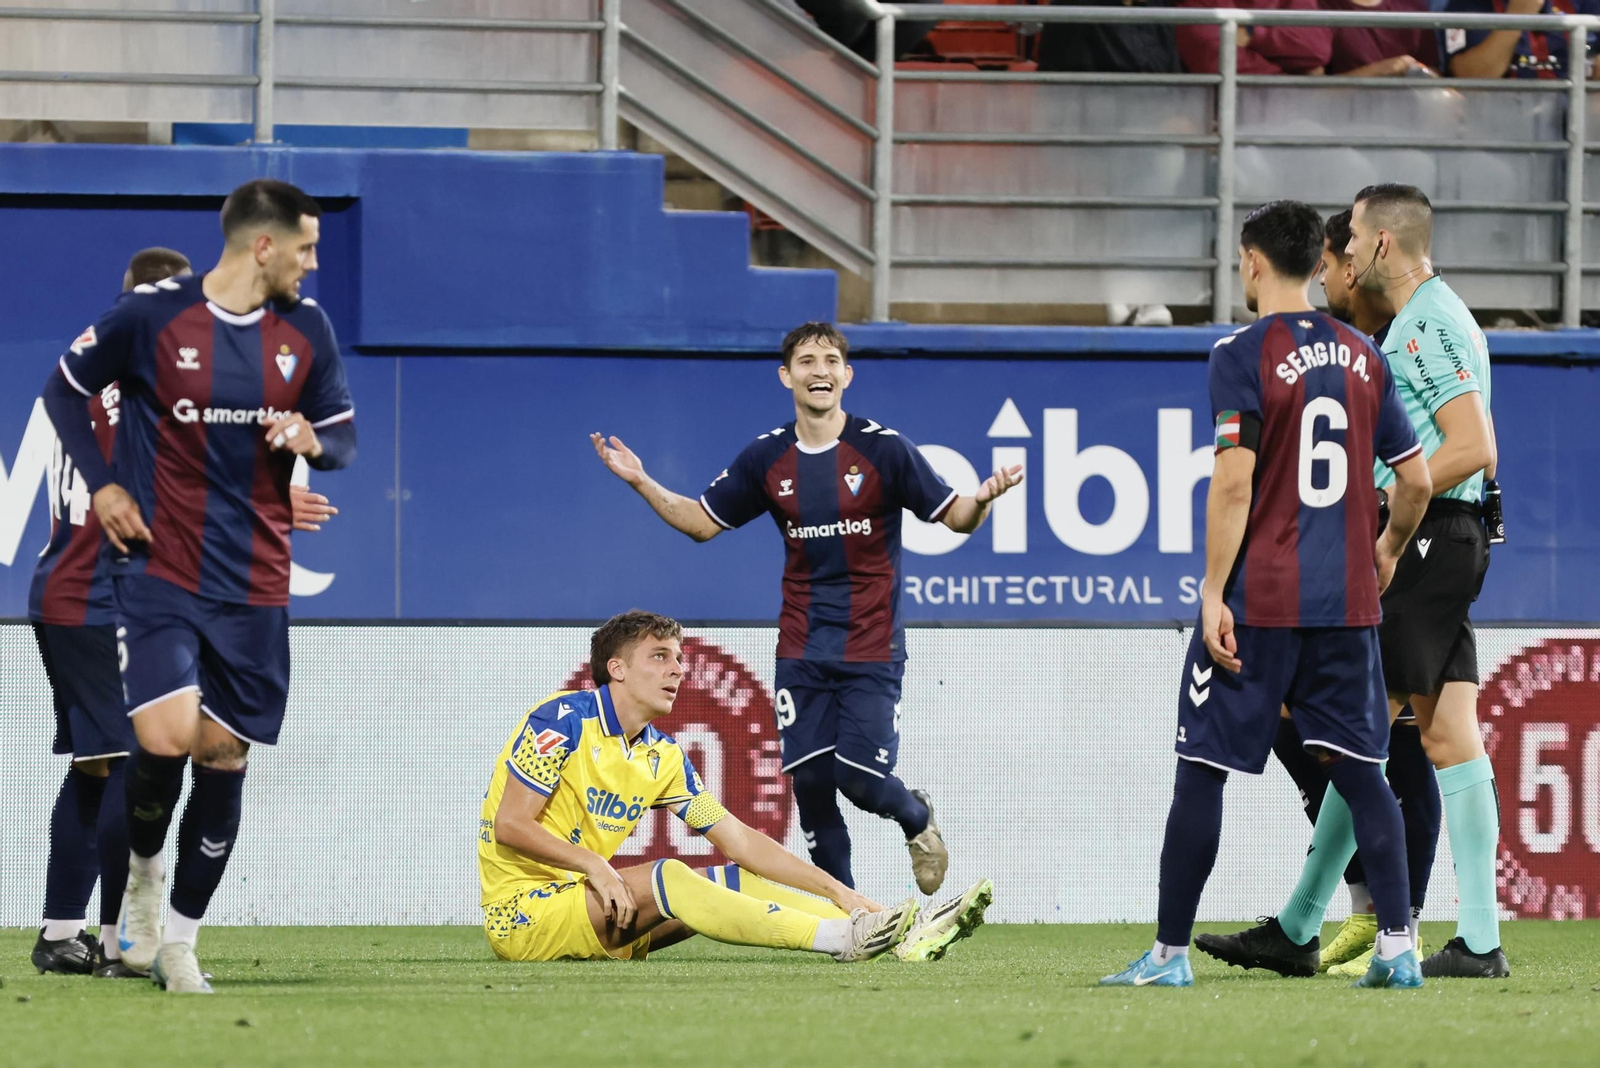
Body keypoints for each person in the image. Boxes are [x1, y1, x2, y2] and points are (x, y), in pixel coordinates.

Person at [1100, 199, 1433, 989]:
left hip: (1262, 602)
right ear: (1321, 263)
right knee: (1364, 773)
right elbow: (1416, 480)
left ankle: (1169, 956)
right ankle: (1398, 947)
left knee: (1201, 767)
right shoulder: (1366, 354)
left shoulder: (1240, 353)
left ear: (1250, 261)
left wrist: (1213, 590)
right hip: (1347, 603)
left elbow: (1233, 482)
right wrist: (1385, 551)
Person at [40, 178, 357, 994]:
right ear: (264, 245)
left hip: (254, 579)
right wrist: (107, 485)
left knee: (221, 752)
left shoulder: (306, 329)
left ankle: (179, 940)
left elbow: (343, 435)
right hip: (160, 569)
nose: (313, 263)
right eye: (306, 248)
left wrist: (311, 440)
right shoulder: (153, 316)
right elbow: (64, 388)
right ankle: (142, 879)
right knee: (163, 737)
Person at [592, 321, 1022, 899]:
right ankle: (851, 915)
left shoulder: (884, 449)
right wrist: (641, 481)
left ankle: (916, 816)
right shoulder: (767, 458)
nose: (820, 371)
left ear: (847, 375)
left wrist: (983, 501)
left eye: (830, 361)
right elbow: (700, 523)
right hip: (802, 647)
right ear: (786, 376)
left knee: (860, 781)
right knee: (813, 787)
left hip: (872, 644)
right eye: (807, 362)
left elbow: (955, 516)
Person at [1199, 185, 1508, 980]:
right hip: (1450, 537)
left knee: (1356, 734)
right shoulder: (1432, 319)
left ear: (1380, 246)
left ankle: (1304, 924)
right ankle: (1478, 940)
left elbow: (1472, 445)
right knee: (1445, 736)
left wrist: (1389, 506)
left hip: (1428, 539)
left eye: (1356, 238)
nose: (1344, 256)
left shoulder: (1425, 325)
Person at [479, 609, 994, 965]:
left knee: (731, 878)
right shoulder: (561, 722)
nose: (677, 669)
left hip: (595, 907)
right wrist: (596, 865)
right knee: (669, 875)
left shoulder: (662, 756)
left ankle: (892, 928)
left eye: (679, 658)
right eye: (659, 656)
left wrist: (841, 891)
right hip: (523, 915)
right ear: (617, 669)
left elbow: (741, 841)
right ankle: (840, 939)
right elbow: (511, 825)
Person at [1248, 210, 1444, 977]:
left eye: (1342, 258)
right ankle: (1373, 918)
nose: (1335, 273)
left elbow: (1448, 456)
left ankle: (1396, 925)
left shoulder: (1400, 336)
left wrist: (1389, 538)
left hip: (1390, 556)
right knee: (1357, 740)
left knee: (1392, 743)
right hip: (1359, 559)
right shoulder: (1367, 346)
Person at [1443, 0, 1600, 79]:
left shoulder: (1587, 3)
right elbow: (1470, 75)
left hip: (1579, 117)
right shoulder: (1465, 5)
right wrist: (1516, 17)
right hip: (1502, 119)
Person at [1177, 0, 1332, 75]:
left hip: (1295, 113)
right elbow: (1221, 61)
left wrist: (1253, 35)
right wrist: (1296, 79)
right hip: (1222, 119)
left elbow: (1318, 50)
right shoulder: (1196, 6)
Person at [1321, 0, 1441, 75]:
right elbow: (1318, 89)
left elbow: (1433, 72)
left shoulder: (1413, 5)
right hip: (1346, 106)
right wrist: (1380, 71)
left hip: (1408, 105)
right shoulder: (1320, 7)